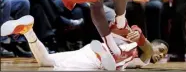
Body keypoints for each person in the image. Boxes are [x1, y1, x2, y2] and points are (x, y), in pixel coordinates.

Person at [1, 15, 168, 70]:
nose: (160, 55)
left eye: (163, 55)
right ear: (153, 43)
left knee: (46, 61)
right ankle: (107, 60)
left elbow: (143, 43)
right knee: (115, 65)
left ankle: (28, 30)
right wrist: (138, 33)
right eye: (160, 49)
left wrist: (137, 32)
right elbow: (146, 48)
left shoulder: (144, 58)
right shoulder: (145, 54)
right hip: (99, 58)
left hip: (94, 50)